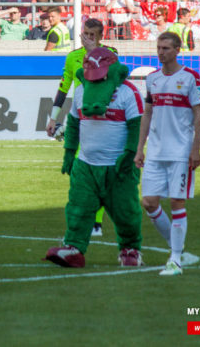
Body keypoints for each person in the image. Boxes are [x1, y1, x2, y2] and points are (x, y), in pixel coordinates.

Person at [45, 47, 144, 268]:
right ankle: (73, 248)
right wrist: (70, 153)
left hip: (117, 167)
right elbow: (73, 123)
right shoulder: (81, 91)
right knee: (78, 208)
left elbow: (137, 126)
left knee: (126, 210)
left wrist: (130, 155)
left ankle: (130, 249)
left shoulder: (129, 92)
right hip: (86, 165)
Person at [133, 31, 200, 276]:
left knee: (177, 201)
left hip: (180, 152)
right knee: (148, 202)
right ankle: (176, 246)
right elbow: (148, 114)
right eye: (159, 47)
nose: (161, 52)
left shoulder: (190, 77)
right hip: (155, 151)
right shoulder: (152, 78)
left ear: (177, 50)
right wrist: (139, 148)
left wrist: (195, 148)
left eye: (166, 48)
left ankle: (175, 258)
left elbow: (199, 113)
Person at [45, 18, 115, 236]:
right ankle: (82, 214)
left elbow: (114, 80)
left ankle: (96, 221)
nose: (88, 38)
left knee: (99, 169)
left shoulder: (110, 54)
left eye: (92, 35)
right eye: (85, 34)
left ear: (101, 36)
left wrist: (94, 52)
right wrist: (53, 117)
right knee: (79, 170)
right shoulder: (73, 57)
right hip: (80, 119)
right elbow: (64, 88)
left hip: (104, 117)